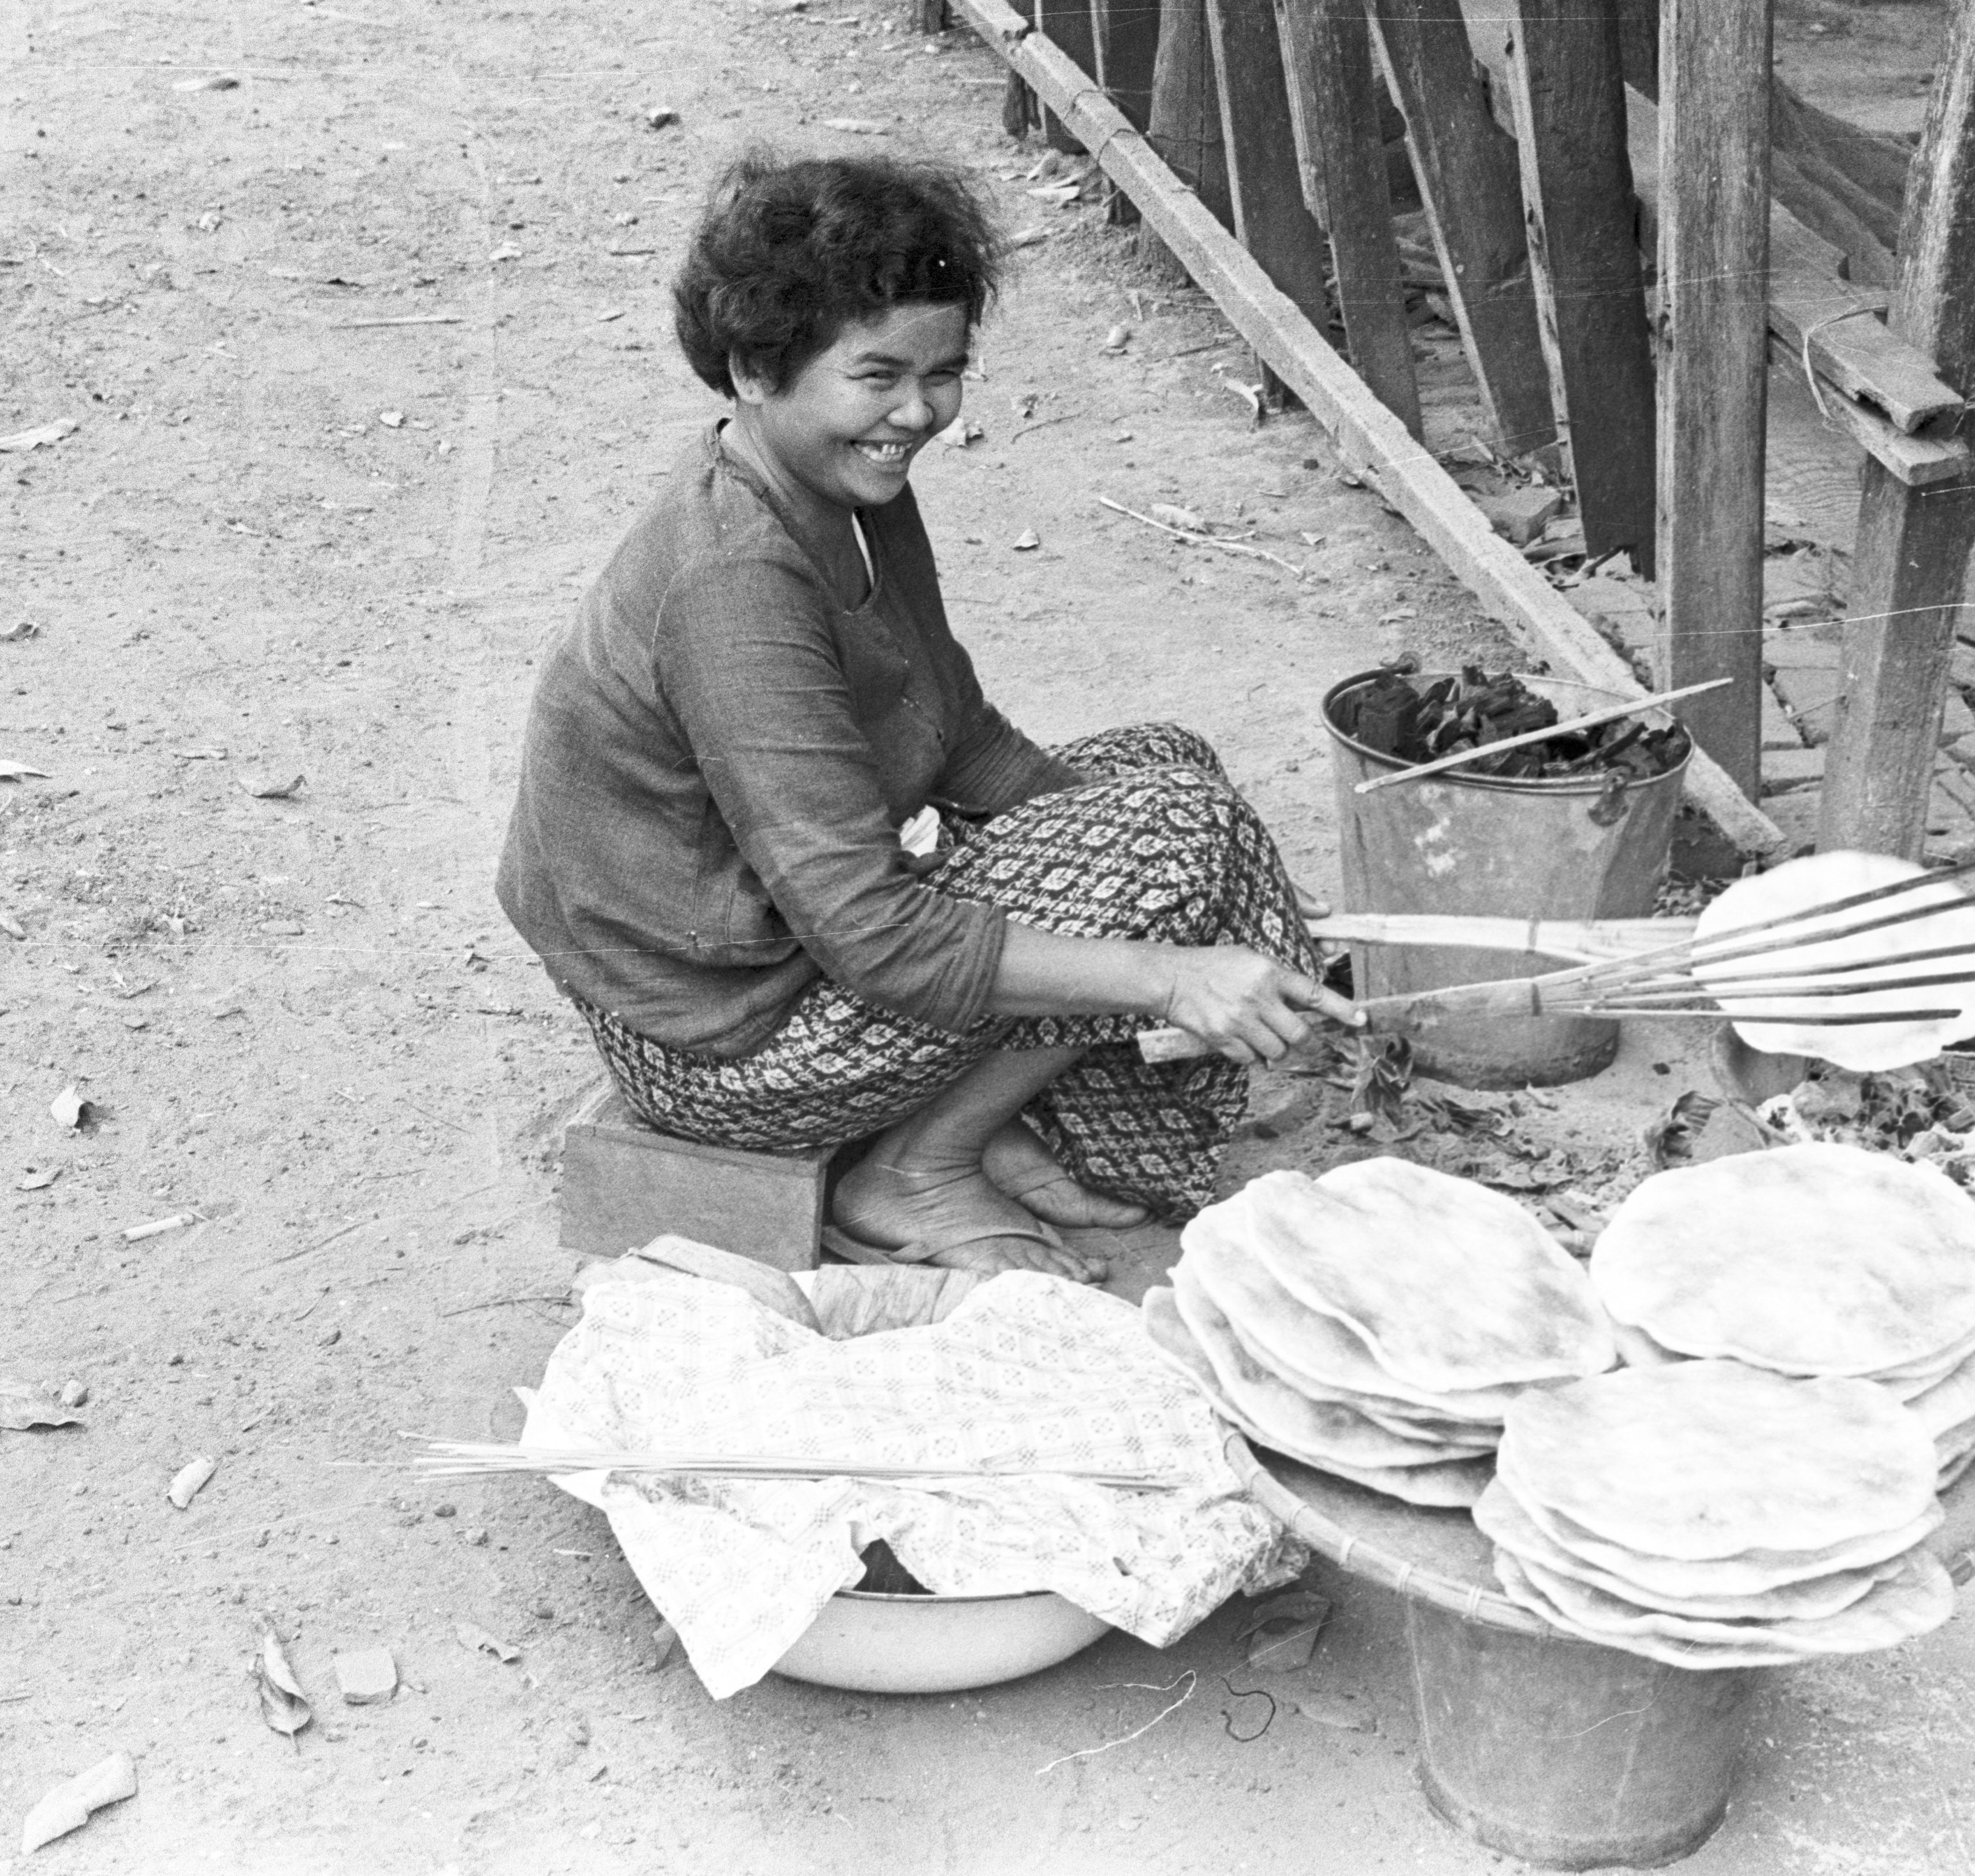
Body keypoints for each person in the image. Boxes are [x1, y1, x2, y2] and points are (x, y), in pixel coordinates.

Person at [497, 148, 1356, 1279]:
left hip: (782, 953)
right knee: (1176, 833)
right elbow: (869, 931)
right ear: (754, 369)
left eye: (943, 373)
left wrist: (1164, 869)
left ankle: (969, 1125)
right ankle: (915, 1167)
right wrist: (1168, 965)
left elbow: (954, 729)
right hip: (714, 1037)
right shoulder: (731, 582)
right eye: (877, 376)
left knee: (1166, 774)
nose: (918, 412)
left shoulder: (847, 489)